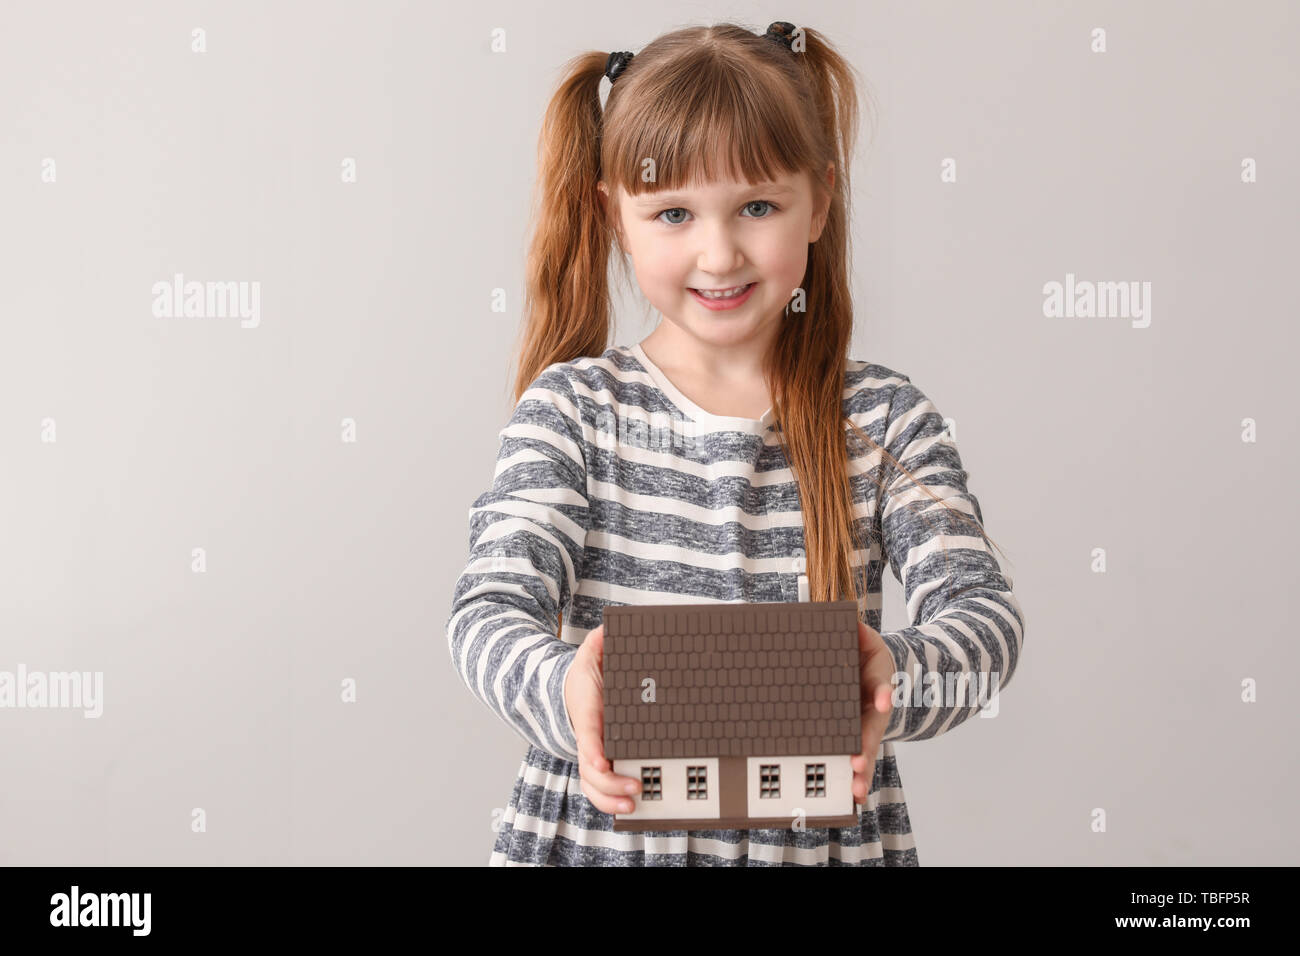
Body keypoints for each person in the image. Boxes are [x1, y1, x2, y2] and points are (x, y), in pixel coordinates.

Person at [446, 20, 1025, 865]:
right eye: (673, 213)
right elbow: (488, 614)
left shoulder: (887, 421)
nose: (719, 253)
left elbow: (984, 616)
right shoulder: (573, 411)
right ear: (615, 217)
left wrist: (890, 673)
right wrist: (564, 684)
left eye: (758, 206)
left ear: (820, 200)